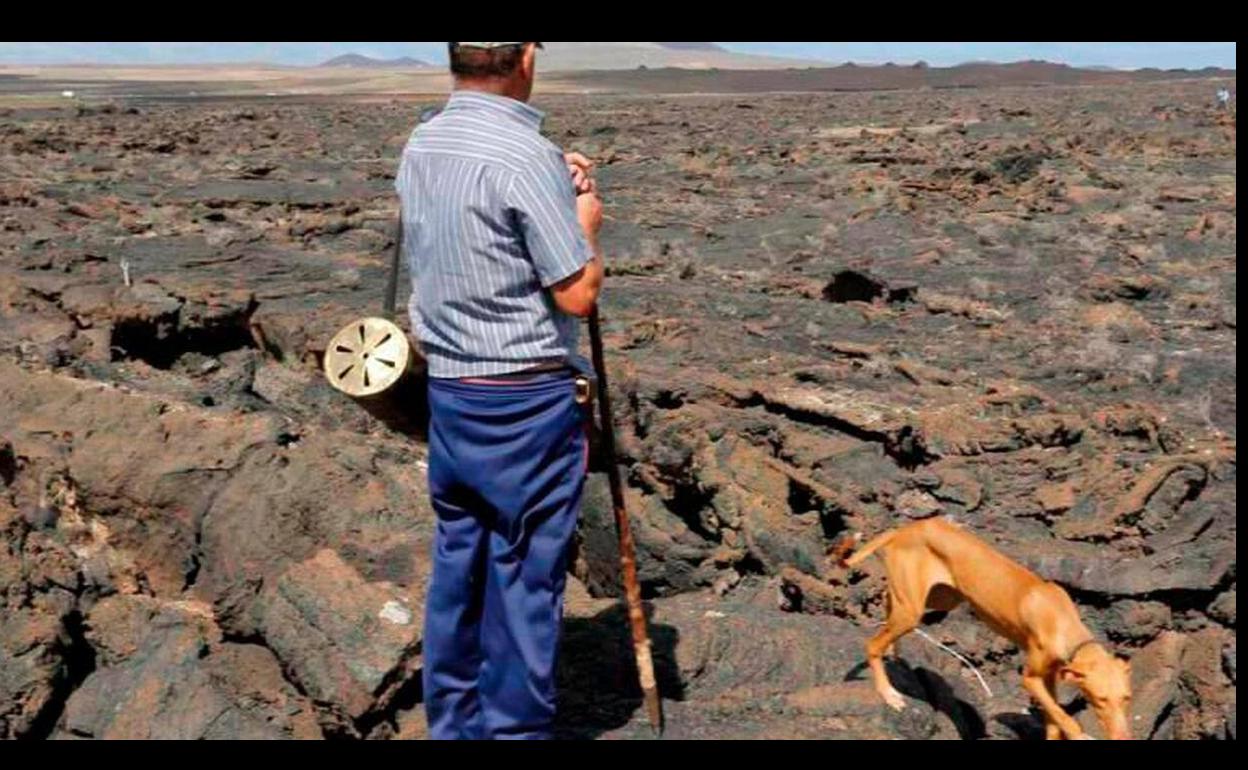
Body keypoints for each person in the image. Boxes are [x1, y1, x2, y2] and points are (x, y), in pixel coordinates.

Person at [393, 41, 605, 740]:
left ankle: (453, 725)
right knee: (525, 575)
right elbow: (577, 294)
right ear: (525, 58)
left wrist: (552, 183)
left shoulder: (423, 142)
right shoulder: (524, 156)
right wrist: (585, 223)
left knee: (461, 564)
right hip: (525, 401)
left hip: (452, 391)